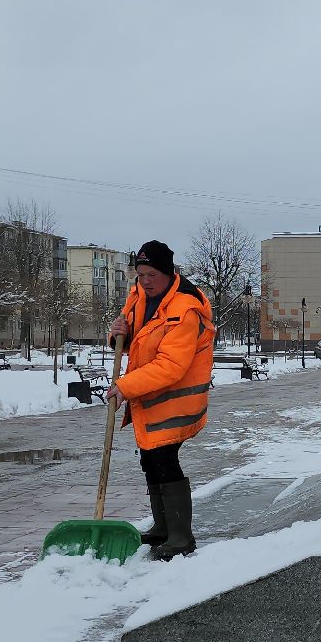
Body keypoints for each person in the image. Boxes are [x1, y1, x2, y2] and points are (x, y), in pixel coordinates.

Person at [104, 240, 215, 560]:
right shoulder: (138, 298)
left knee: (164, 459)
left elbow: (171, 365)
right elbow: (138, 342)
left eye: (151, 275)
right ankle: (164, 526)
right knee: (150, 459)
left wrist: (125, 386)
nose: (145, 281)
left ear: (168, 273)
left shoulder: (185, 309)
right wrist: (117, 334)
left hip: (176, 401)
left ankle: (181, 536)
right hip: (150, 397)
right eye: (140, 275)